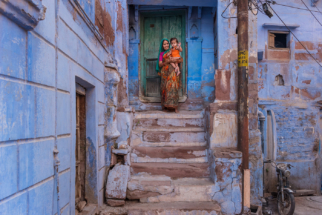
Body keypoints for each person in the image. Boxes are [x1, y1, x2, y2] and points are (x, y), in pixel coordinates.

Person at [156, 39, 183, 113]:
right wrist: (167, 61)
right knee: (164, 88)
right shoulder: (161, 54)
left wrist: (176, 60)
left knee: (173, 88)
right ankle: (165, 106)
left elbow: (180, 59)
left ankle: (175, 106)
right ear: (162, 45)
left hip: (173, 72)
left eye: (167, 43)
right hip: (164, 73)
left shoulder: (173, 50)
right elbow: (160, 64)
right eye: (164, 44)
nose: (166, 45)